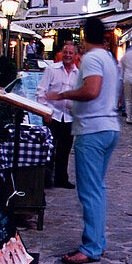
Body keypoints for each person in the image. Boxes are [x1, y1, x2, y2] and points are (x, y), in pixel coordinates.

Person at [45, 17, 121, 264]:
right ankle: (97, 241)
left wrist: (63, 94)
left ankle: (91, 247)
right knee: (97, 189)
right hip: (108, 127)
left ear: (84, 36)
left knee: (90, 191)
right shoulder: (109, 59)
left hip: (92, 130)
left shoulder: (91, 58)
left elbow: (91, 90)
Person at [37, 41, 80, 189]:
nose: (67, 55)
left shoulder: (78, 74)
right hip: (52, 115)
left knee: (65, 149)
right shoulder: (52, 69)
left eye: (71, 53)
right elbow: (41, 91)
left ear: (75, 56)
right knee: (48, 148)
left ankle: (61, 179)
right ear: (61, 53)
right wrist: (45, 111)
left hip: (69, 117)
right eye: (65, 52)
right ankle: (45, 179)